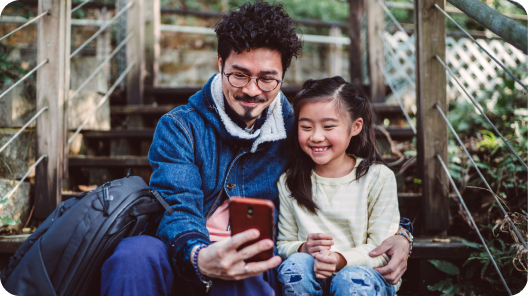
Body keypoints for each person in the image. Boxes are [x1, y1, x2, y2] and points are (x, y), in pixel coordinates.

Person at [100, 2, 413, 296]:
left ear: (282, 77)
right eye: (239, 75)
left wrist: (402, 236)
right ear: (220, 63)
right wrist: (199, 255)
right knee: (133, 254)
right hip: (184, 254)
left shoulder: (298, 132)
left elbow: (342, 179)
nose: (251, 90)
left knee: (250, 265)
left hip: (254, 267)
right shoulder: (180, 127)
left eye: (267, 79)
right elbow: (176, 206)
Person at [276, 77, 408, 296]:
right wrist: (304, 248)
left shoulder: (377, 178)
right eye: (306, 127)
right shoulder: (290, 181)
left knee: (350, 279)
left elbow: (382, 249)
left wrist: (340, 260)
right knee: (296, 266)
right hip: (312, 275)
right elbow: (284, 244)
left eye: (328, 126)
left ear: (355, 127)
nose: (316, 137)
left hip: (364, 275)